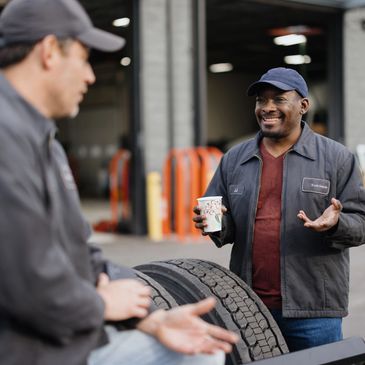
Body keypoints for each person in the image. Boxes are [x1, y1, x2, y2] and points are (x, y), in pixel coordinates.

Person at [0, 1, 238, 365]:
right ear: (49, 51)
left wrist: (150, 318)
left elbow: (79, 251)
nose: (90, 76)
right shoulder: (7, 137)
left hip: (65, 337)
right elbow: (25, 282)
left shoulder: (43, 142)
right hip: (30, 349)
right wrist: (99, 305)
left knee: (201, 353)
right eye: (83, 58)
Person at [193, 67, 365, 352]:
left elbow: (360, 222)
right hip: (248, 307)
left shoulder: (336, 158)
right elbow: (223, 224)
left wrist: (335, 224)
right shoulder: (235, 159)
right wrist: (213, 224)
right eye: (261, 100)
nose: (267, 108)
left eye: (279, 99)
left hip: (314, 311)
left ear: (304, 106)